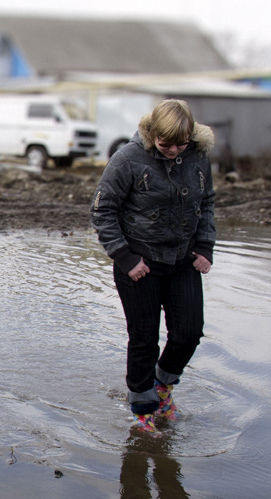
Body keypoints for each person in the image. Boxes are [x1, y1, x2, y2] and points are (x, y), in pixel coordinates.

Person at [92, 99, 216, 433]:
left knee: (189, 333)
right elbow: (102, 211)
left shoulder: (199, 157)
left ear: (191, 136)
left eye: (181, 144)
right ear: (152, 134)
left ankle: (163, 387)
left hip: (183, 261)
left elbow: (207, 202)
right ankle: (143, 409)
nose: (174, 150)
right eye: (166, 144)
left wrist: (205, 246)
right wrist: (125, 257)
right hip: (139, 263)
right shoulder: (128, 159)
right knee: (144, 339)